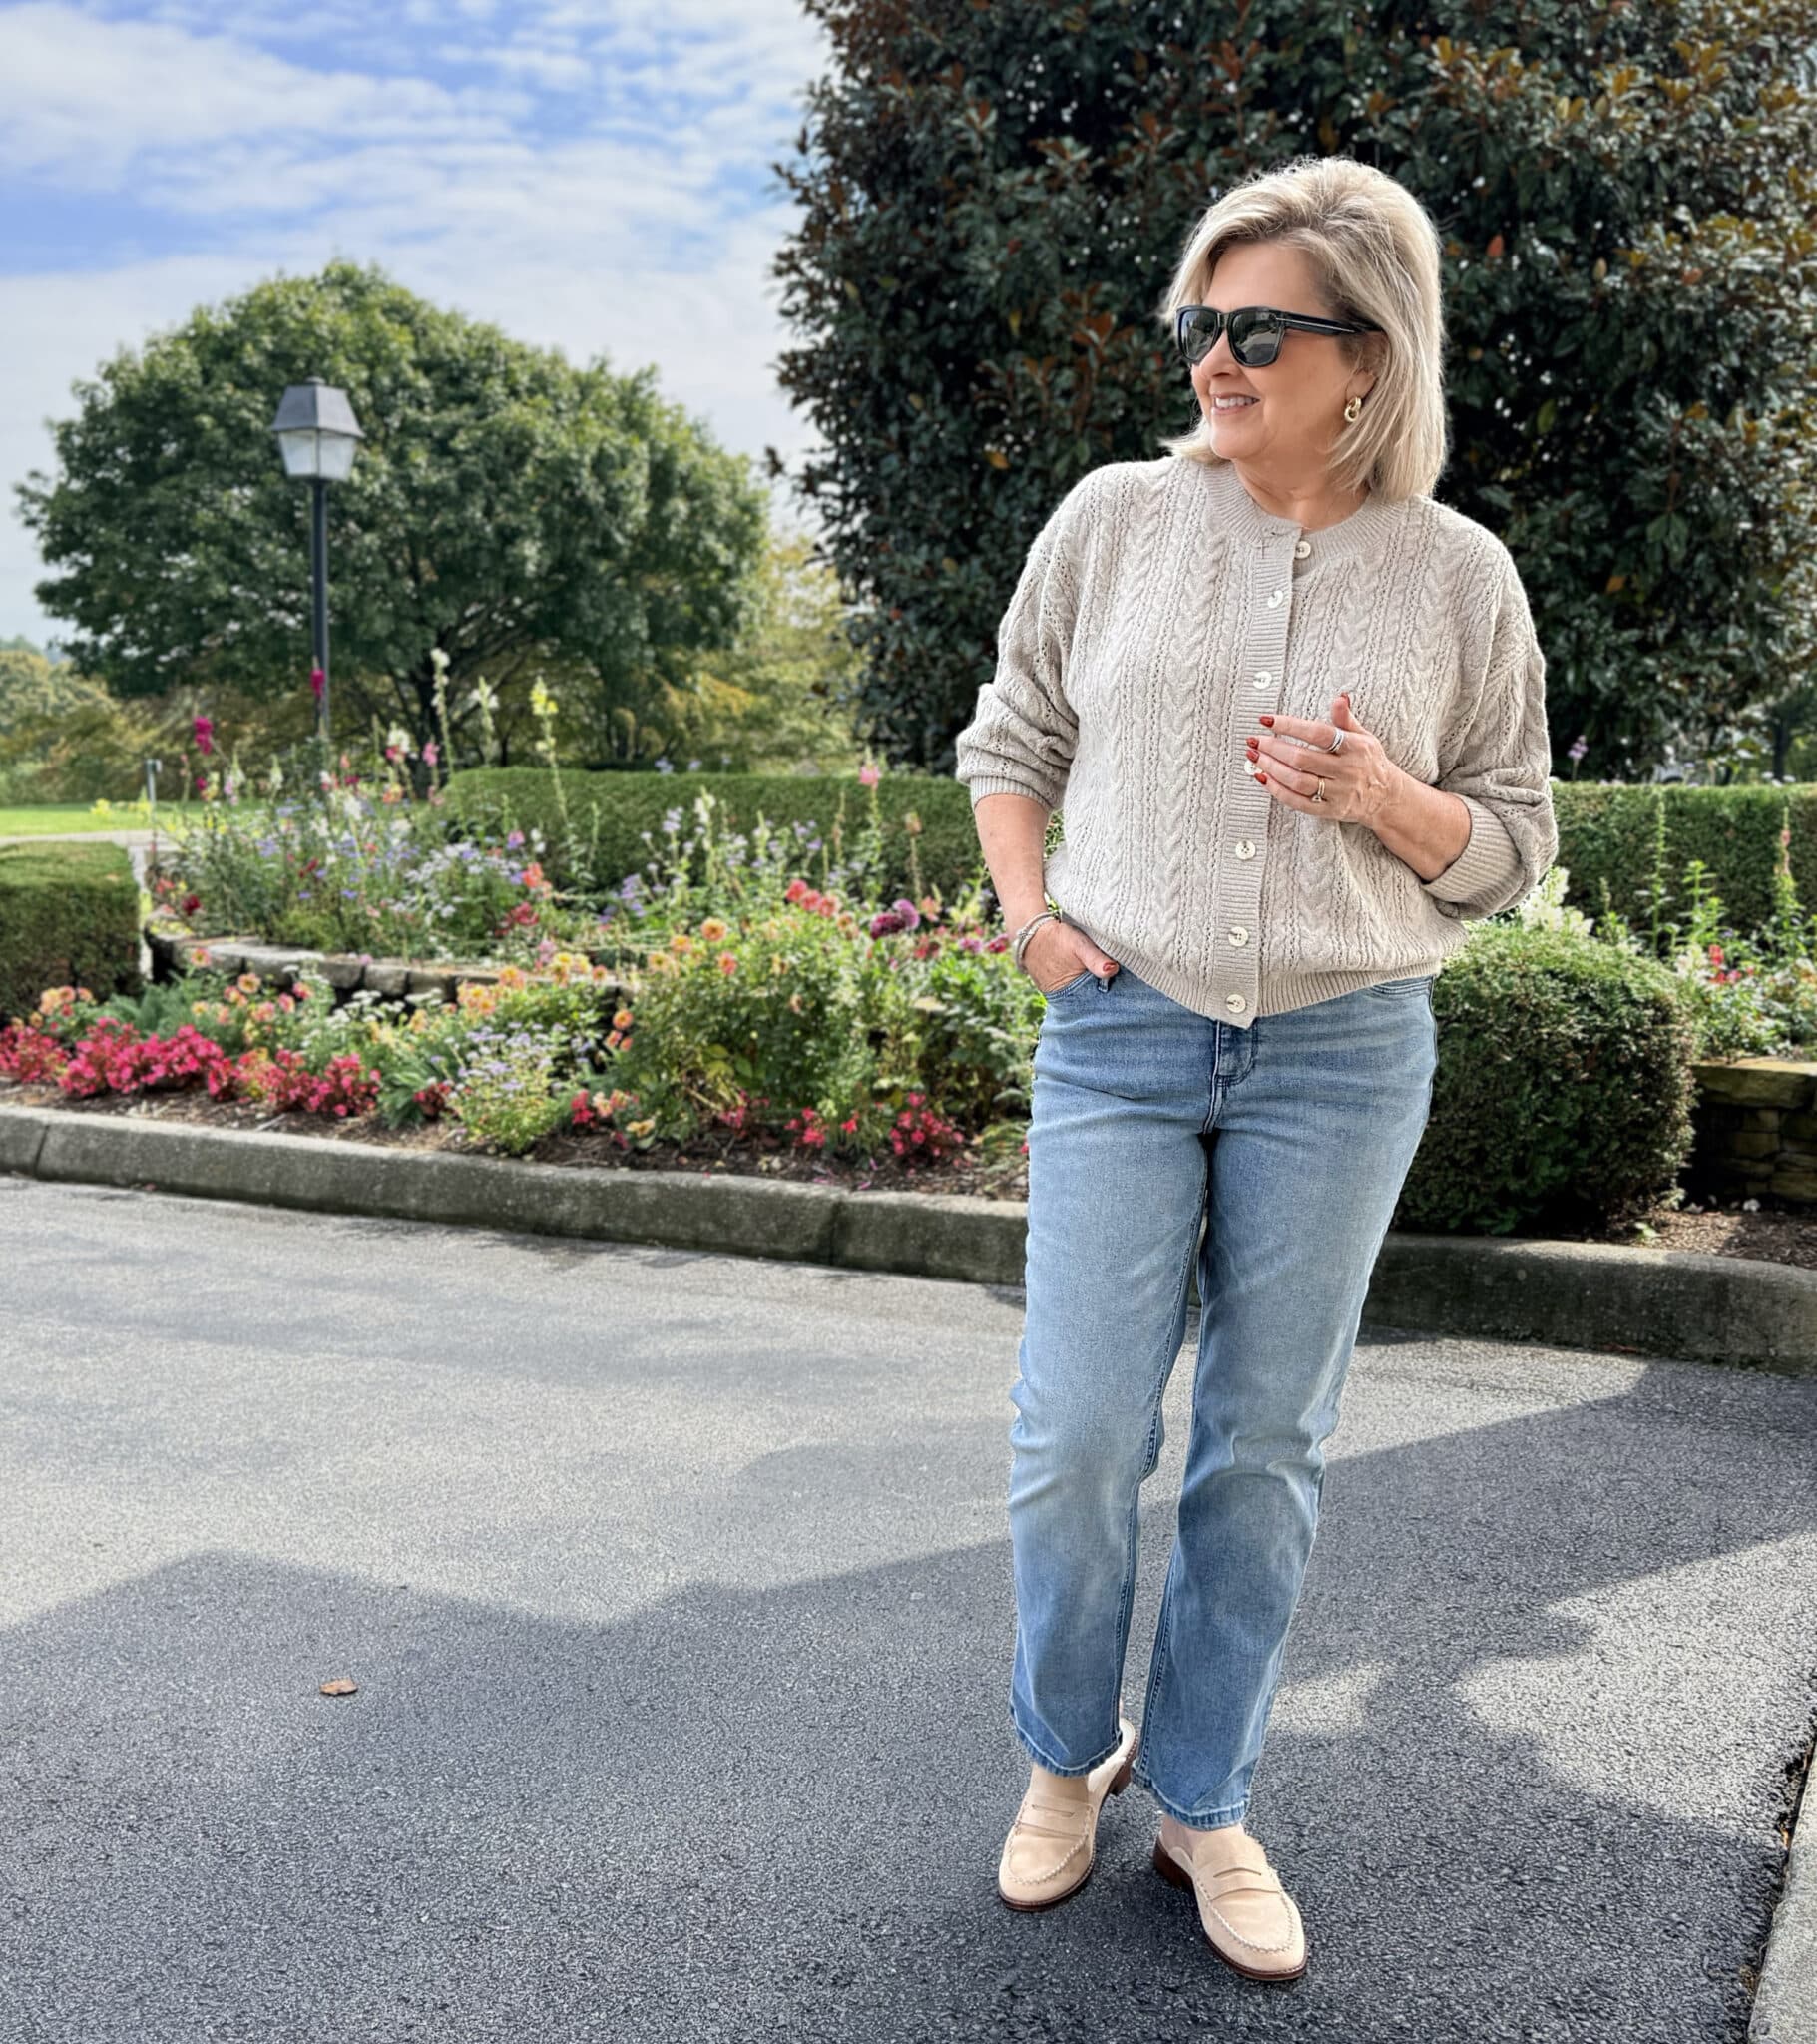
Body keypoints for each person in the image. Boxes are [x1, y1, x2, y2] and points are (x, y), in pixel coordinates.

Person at [952, 155, 1559, 1984]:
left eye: (1259, 331)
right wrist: (1029, 920)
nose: (1215, 359)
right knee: (1076, 1432)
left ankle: (1203, 1796)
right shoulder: (1116, 518)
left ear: (1368, 352)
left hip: (1342, 1051)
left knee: (1264, 1447)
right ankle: (1065, 1756)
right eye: (1200, 325)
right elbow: (1011, 734)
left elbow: (1514, 849)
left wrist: (1385, 799)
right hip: (1122, 1030)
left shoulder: (1457, 575)